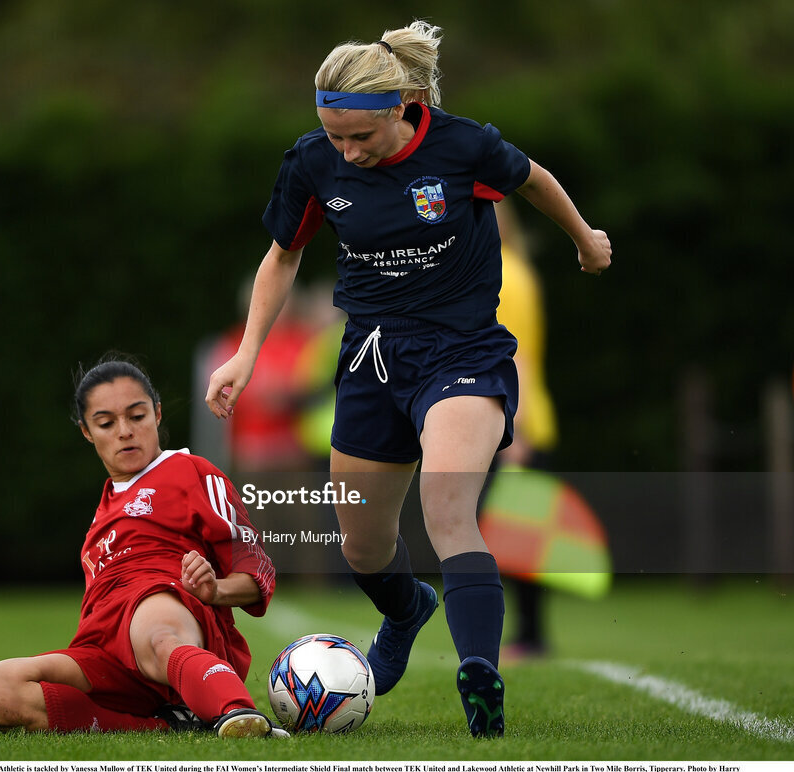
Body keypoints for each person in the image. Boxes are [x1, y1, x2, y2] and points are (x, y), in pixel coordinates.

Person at [205, 20, 611, 739]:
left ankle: (480, 677)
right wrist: (247, 353)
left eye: (359, 137)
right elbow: (282, 256)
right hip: (371, 362)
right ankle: (406, 609)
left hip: (463, 354)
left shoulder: (462, 146)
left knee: (447, 508)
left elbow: (534, 180)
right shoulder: (313, 164)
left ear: (400, 106)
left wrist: (584, 239)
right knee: (362, 546)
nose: (347, 152)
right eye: (333, 136)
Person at [0, 357, 287, 739]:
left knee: (156, 631)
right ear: (87, 432)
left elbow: (258, 571)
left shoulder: (192, 472)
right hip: (105, 647)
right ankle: (165, 725)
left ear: (156, 413)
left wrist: (215, 590)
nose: (124, 431)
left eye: (136, 416)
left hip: (167, 611)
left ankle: (239, 715)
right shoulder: (100, 519)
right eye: (106, 423)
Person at [492, 199, 560, 660]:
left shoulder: (506, 274)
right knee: (514, 535)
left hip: (518, 426)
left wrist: (515, 432)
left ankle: (531, 637)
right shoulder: (505, 268)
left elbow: (519, 356)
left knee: (520, 538)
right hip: (514, 422)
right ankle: (528, 635)